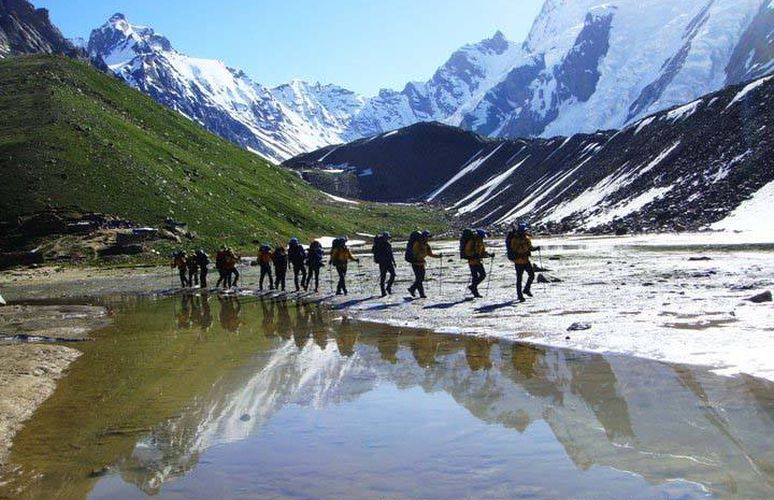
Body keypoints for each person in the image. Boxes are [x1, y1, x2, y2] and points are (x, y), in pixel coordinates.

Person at [508, 222, 540, 302]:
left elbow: (530, 247)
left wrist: (535, 249)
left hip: (525, 260)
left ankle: (526, 289)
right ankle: (520, 295)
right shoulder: (515, 239)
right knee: (519, 279)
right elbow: (513, 250)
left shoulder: (526, 238)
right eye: (524, 230)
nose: (526, 231)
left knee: (531, 275)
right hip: (518, 262)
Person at [407, 230, 441, 299]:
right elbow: (415, 253)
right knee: (419, 279)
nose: (428, 238)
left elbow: (430, 254)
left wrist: (438, 256)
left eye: (428, 237)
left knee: (420, 279)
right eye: (427, 237)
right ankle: (418, 292)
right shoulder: (417, 243)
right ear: (423, 236)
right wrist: (420, 256)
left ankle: (414, 290)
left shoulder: (426, 245)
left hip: (421, 263)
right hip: (416, 263)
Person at [464, 229, 493, 298]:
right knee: (476, 277)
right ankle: (475, 292)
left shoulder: (481, 242)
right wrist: (474, 254)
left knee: (482, 275)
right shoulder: (472, 241)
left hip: (478, 261)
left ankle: (473, 287)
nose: (483, 237)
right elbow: (467, 251)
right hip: (472, 261)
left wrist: (489, 255)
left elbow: (482, 253)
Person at [372, 231, 396, 297]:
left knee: (393, 274)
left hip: (388, 262)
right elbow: (375, 252)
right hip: (382, 263)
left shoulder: (388, 244)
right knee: (383, 277)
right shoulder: (379, 244)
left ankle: (388, 287)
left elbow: (391, 253)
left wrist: (394, 261)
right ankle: (383, 292)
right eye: (387, 238)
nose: (387, 239)